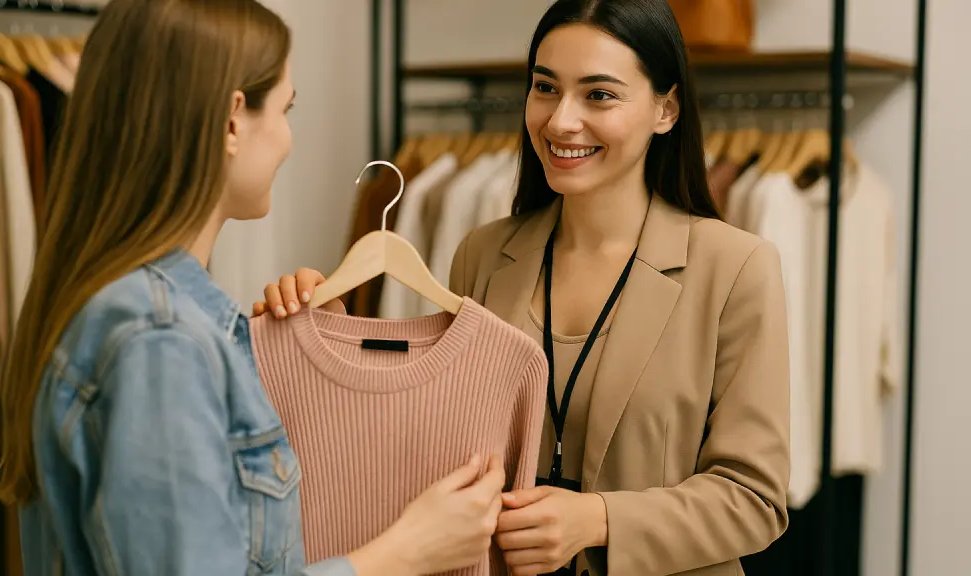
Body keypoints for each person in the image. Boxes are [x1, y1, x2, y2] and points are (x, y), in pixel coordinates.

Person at [259, 0, 791, 575]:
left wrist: (598, 520)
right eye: (545, 88)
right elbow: (435, 446)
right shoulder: (483, 254)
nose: (561, 121)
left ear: (666, 110)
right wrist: (329, 338)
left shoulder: (735, 268)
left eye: (599, 94)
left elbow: (754, 499)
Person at [0, 1, 507, 575]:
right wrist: (404, 552)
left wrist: (292, 364)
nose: (288, 139)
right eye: (287, 109)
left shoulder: (145, 316)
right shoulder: (160, 340)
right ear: (233, 122)